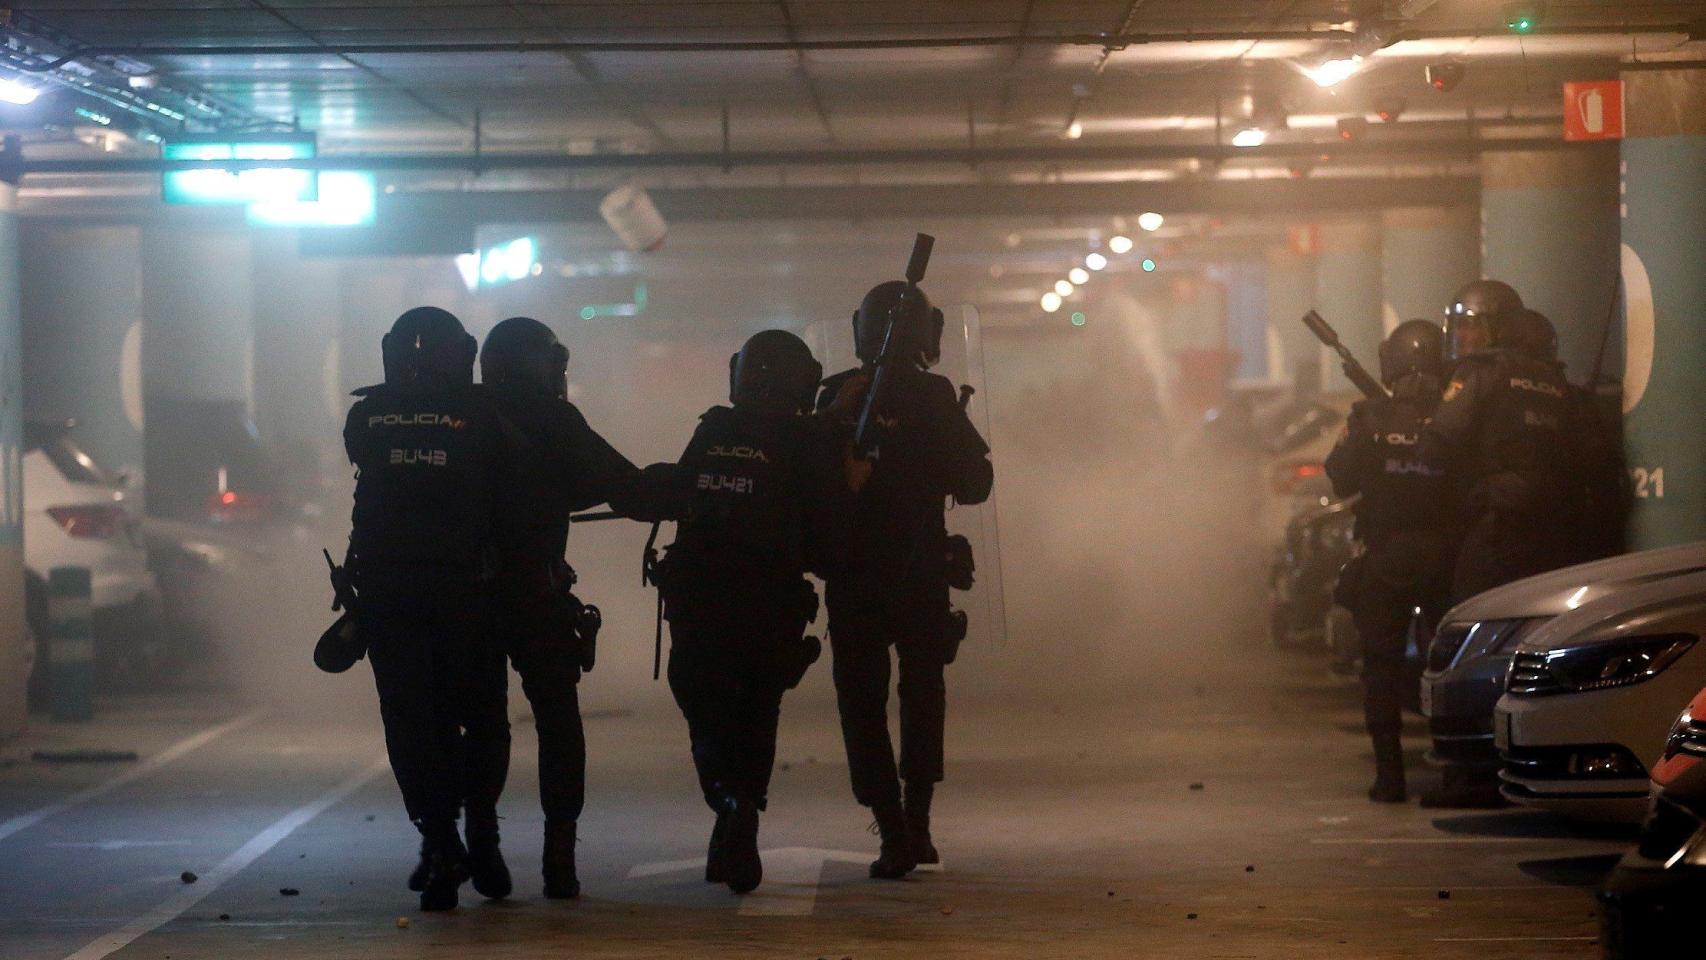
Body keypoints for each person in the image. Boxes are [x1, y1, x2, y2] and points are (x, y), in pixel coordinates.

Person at [461, 316, 663, 900]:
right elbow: (622, 483)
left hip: (468, 599)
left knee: (483, 725)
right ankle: (559, 856)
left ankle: (481, 839)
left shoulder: (464, 415)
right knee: (558, 722)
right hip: (535, 593)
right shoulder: (552, 417)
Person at [651, 329, 854, 894]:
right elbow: (827, 542)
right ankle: (742, 806)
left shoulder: (715, 426)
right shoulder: (810, 439)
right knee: (757, 710)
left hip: (697, 598)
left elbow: (681, 495)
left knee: (702, 704)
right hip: (769, 600)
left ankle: (725, 798)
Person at [816, 281, 994, 879]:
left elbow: (802, 477)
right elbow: (975, 484)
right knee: (923, 697)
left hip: (852, 577)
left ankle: (893, 829)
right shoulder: (934, 395)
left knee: (861, 705)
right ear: (930, 334)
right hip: (920, 573)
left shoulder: (833, 396)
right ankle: (917, 825)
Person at [342, 306, 511, 911]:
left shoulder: (366, 416)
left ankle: (441, 845)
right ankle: (481, 834)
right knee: (483, 717)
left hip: (389, 596)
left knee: (412, 724)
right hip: (468, 593)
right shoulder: (486, 414)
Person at [1420, 281, 1577, 808]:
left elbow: (1440, 442)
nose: (1464, 336)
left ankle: (1473, 776)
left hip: (1494, 530)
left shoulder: (1481, 373)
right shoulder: (1554, 383)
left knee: (1474, 646)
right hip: (1553, 534)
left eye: (1472, 325)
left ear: (1495, 328)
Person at [1325, 320, 1457, 803]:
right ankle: (1458, 771)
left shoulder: (1369, 417)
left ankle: (1390, 777)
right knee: (1450, 665)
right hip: (1445, 555)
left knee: (1379, 667)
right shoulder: (1454, 416)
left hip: (1385, 557)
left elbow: (1340, 478)